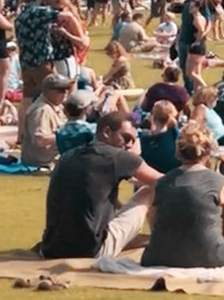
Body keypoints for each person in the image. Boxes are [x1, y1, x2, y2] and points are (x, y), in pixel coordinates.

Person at [37, 110, 162, 259]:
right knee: (149, 190)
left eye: (133, 141)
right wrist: (136, 157)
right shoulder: (116, 156)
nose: (129, 145)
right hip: (92, 250)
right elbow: (168, 182)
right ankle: (163, 242)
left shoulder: (68, 156)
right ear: (107, 132)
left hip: (51, 248)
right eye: (126, 138)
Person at [143, 121, 224, 268]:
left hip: (159, 257)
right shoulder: (223, 184)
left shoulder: (161, 183)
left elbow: (154, 224)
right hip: (211, 257)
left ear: (178, 151)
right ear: (209, 151)